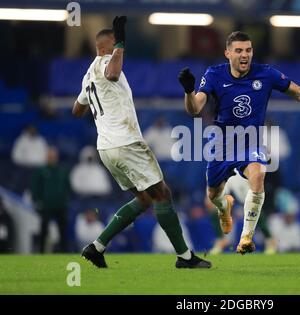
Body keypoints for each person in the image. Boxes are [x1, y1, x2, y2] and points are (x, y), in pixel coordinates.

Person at [178, 31, 300, 254]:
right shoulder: (214, 74)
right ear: (227, 53)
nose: (245, 55)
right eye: (239, 50)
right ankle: (225, 207)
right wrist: (188, 91)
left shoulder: (266, 74)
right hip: (221, 143)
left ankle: (246, 238)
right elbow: (194, 108)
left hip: (251, 141)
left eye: (248, 50)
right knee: (213, 196)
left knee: (259, 175)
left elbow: (299, 93)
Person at [72, 16, 210, 268]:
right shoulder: (106, 62)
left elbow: (76, 110)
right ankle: (184, 257)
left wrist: (99, 108)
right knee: (163, 195)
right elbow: (112, 73)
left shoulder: (87, 76)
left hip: (106, 148)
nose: (120, 50)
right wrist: (121, 42)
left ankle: (97, 247)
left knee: (146, 199)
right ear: (106, 47)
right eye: (116, 45)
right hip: (125, 143)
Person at [206, 169, 277, 254]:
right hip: (223, 167)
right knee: (212, 204)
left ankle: (269, 239)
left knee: (253, 206)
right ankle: (221, 240)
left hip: (238, 170)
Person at [31, 147, 71, 253]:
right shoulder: (41, 171)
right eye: (50, 157)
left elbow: (68, 186)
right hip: (46, 206)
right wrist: (38, 200)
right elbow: (35, 187)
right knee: (43, 230)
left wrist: (65, 200)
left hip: (60, 205)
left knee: (62, 231)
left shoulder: (62, 171)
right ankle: (41, 252)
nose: (52, 159)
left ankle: (64, 253)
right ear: (46, 157)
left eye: (54, 157)